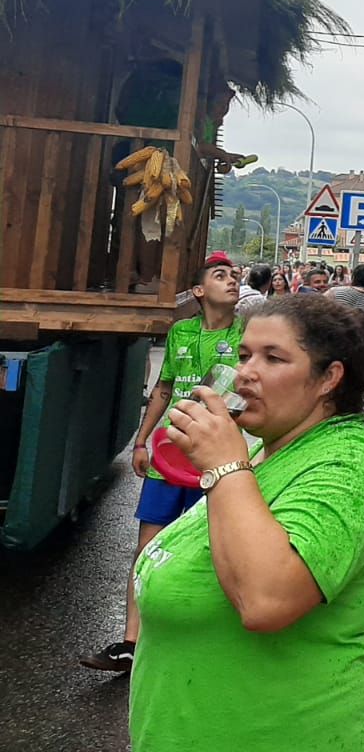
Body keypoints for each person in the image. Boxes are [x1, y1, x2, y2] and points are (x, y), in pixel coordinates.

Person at [128, 295, 364, 752]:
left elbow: (267, 601)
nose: (245, 373)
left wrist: (224, 466)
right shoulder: (265, 447)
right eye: (243, 355)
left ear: (329, 379)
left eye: (273, 358)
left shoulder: (351, 466)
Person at [81, 254, 242, 674]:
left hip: (216, 461)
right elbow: (163, 389)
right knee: (147, 549)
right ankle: (131, 642)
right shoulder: (181, 332)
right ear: (199, 291)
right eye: (220, 275)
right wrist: (141, 441)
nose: (232, 281)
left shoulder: (248, 335)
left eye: (235, 276)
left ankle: (197, 642)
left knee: (210, 552)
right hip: (168, 459)